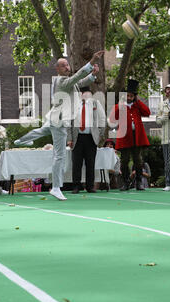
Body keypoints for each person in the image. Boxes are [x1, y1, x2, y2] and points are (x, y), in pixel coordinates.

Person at [14, 50, 105, 201]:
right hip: (60, 121)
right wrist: (91, 62)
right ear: (57, 69)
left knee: (41, 131)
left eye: (67, 65)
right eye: (64, 66)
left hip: (54, 117)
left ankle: (21, 140)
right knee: (60, 155)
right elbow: (78, 77)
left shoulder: (69, 82)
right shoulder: (61, 81)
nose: (67, 67)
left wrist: (93, 75)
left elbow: (82, 81)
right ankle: (56, 187)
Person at [108, 79, 150, 191]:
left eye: (131, 96)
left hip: (137, 136)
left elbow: (147, 112)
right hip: (125, 137)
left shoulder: (137, 105)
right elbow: (112, 118)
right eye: (128, 95)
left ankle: (139, 182)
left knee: (138, 160)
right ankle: (125, 182)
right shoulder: (120, 106)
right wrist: (119, 106)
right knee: (125, 160)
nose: (129, 98)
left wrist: (138, 101)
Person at [67, 87, 106, 193]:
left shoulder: (95, 104)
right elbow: (68, 123)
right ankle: (76, 186)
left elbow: (102, 119)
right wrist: (69, 139)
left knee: (90, 162)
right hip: (77, 137)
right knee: (76, 163)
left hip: (90, 137)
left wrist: (99, 135)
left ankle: (90, 186)